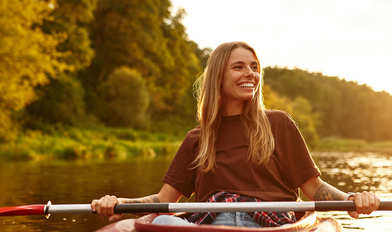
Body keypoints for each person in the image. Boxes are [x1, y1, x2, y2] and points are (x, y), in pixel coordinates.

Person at [91, 41, 380, 227]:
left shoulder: (278, 123)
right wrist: (120, 204)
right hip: (211, 220)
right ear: (218, 76)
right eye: (239, 67)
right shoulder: (197, 138)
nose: (250, 74)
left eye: (254, 68)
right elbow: (164, 199)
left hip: (270, 222)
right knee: (165, 222)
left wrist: (352, 199)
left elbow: (314, 189)